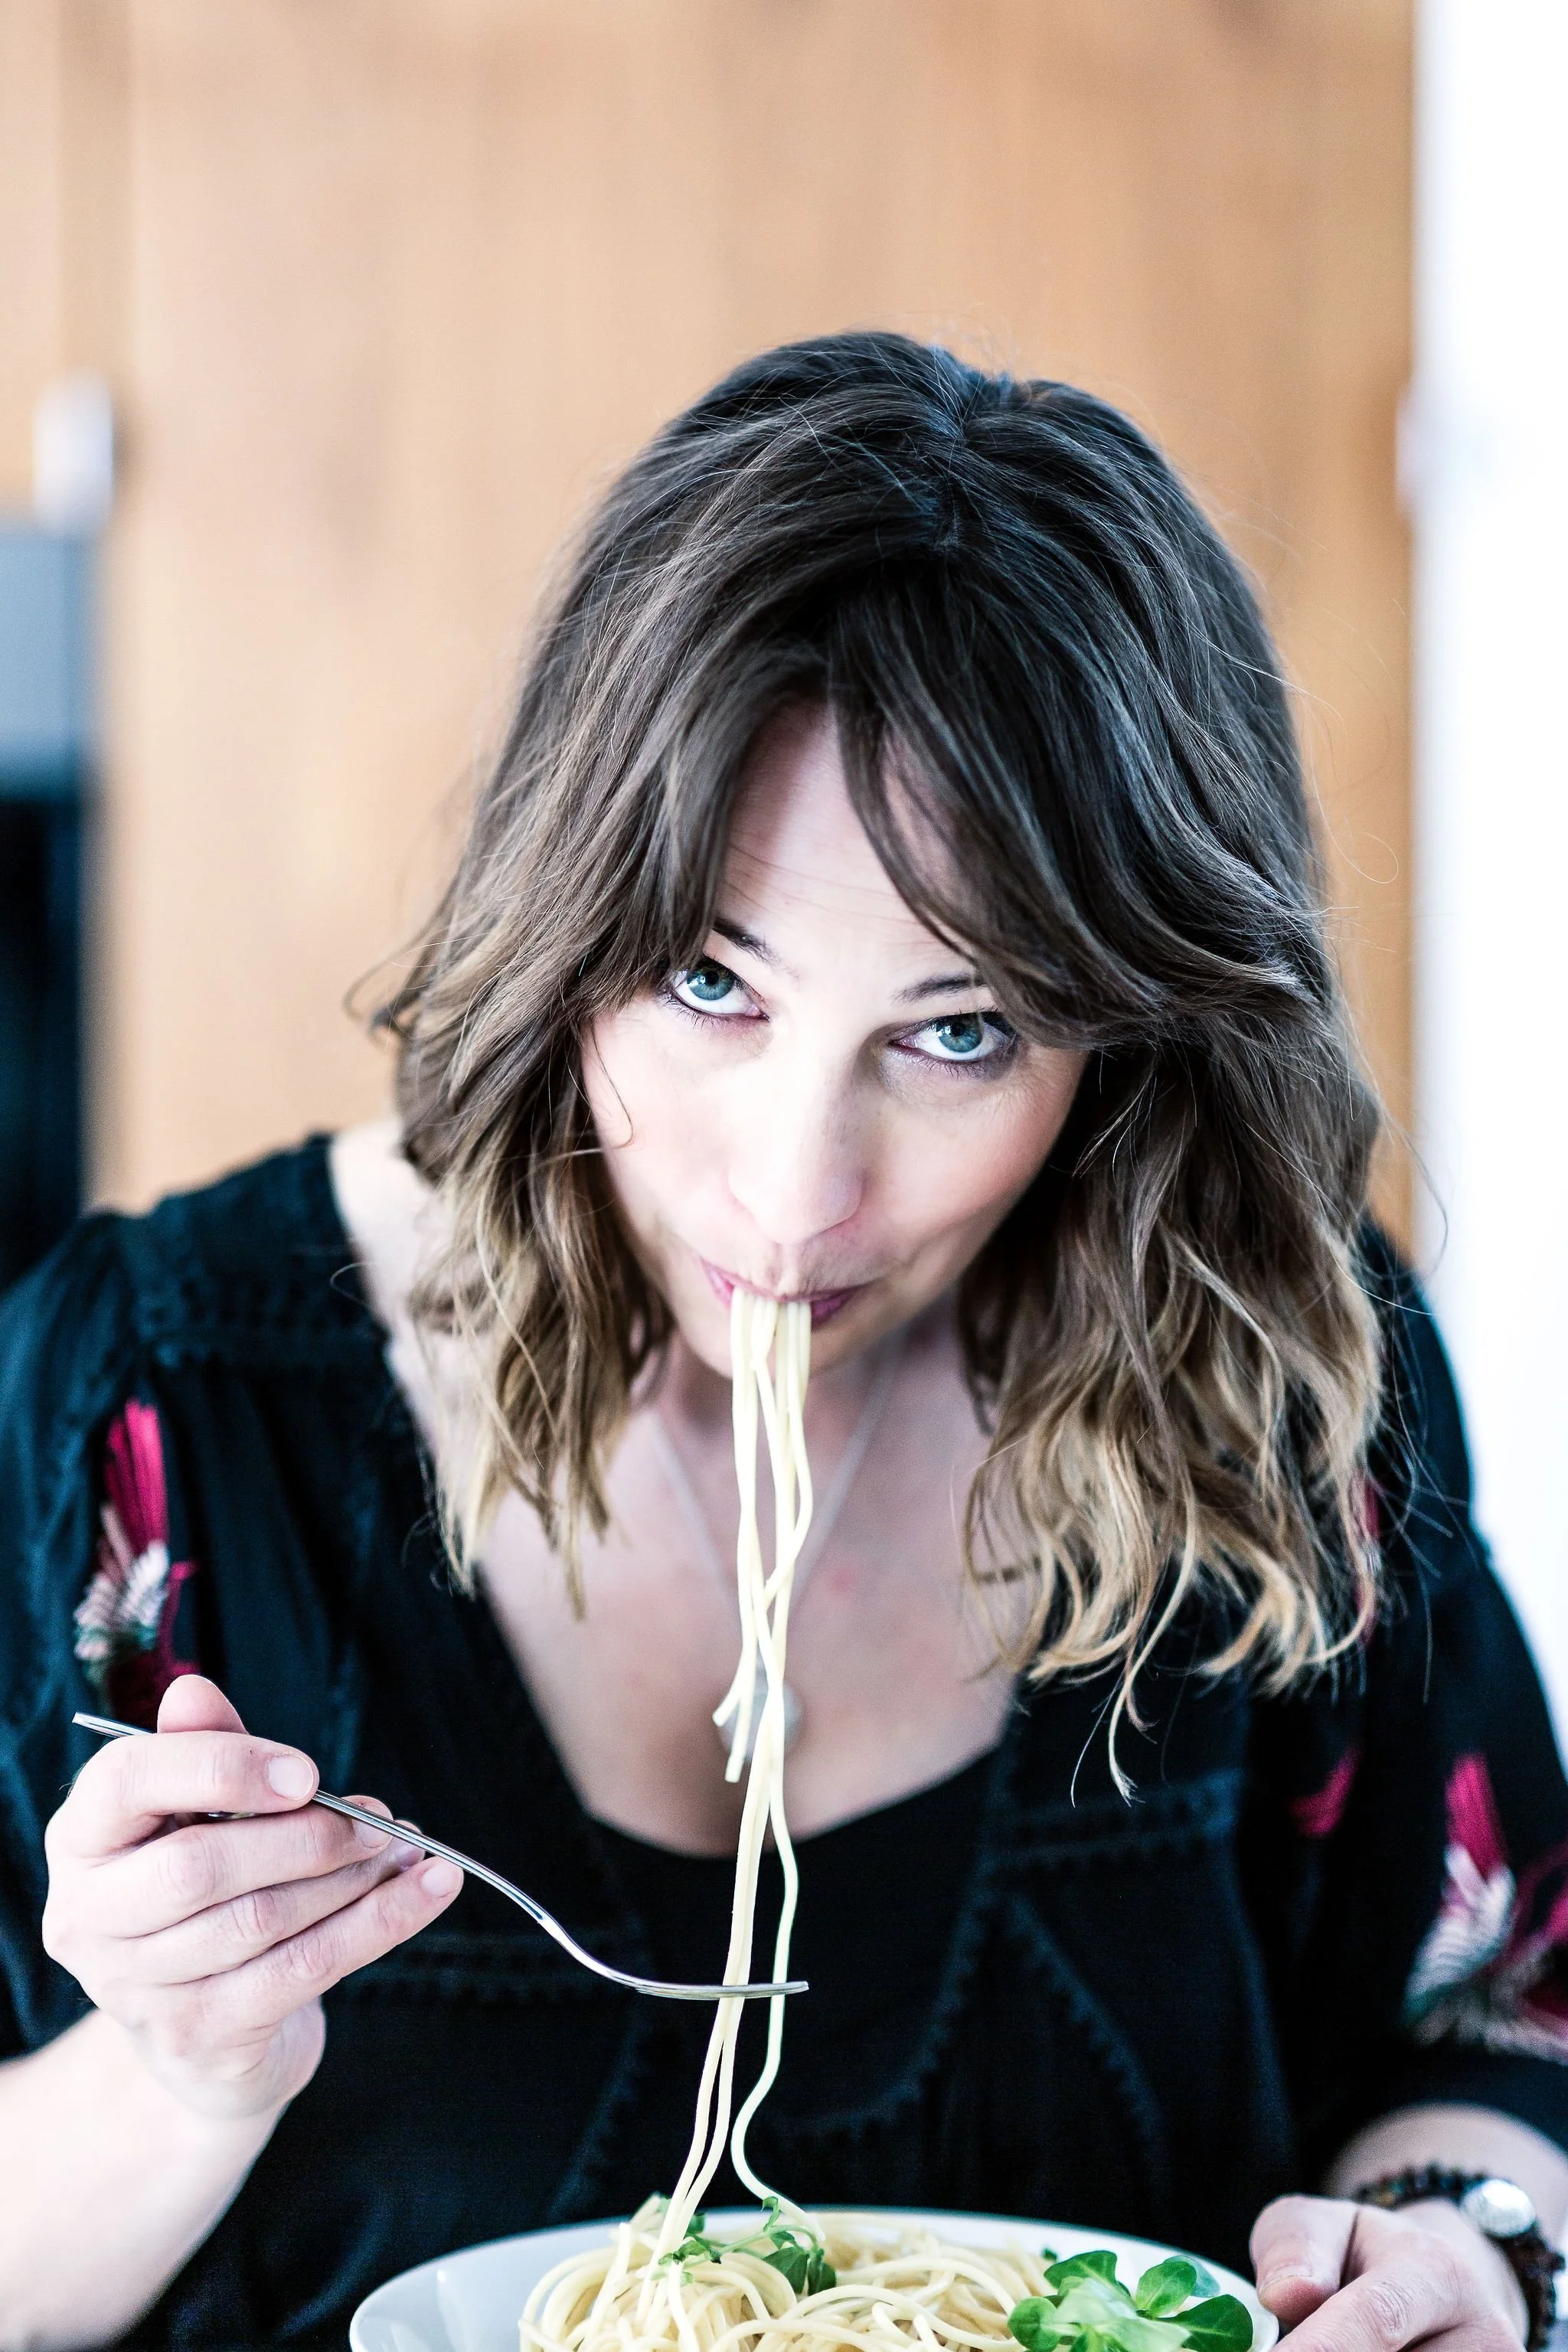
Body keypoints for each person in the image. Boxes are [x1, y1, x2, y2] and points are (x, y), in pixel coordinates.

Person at [1, 333, 1565, 2352]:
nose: (797, 1191)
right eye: (707, 980)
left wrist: (1464, 2251)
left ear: (1129, 1052)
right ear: (569, 919)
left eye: (959, 1032)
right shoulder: (158, 1407)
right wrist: (171, 2076)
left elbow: (1500, 2009)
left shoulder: (1269, 1374)